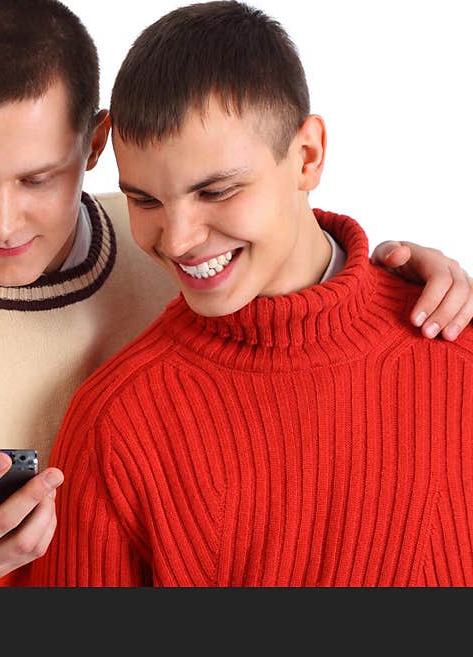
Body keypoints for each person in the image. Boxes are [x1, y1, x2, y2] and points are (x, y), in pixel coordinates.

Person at [0, 0, 473, 587]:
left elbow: (279, 236)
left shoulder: (169, 238)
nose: (3, 222)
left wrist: (403, 277)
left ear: (96, 144)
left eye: (39, 179)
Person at [28, 0, 473, 586]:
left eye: (216, 192)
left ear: (307, 155)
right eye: (145, 200)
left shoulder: (452, 345)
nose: (179, 239)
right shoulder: (118, 424)